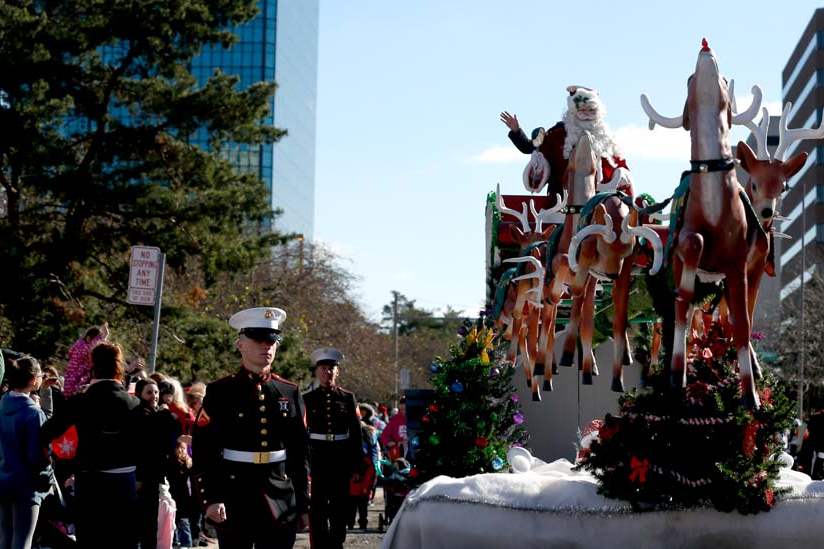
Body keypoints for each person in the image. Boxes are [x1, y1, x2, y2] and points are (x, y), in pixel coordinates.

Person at [191, 307, 309, 549]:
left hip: (280, 494)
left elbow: (300, 453)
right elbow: (205, 449)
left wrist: (304, 504)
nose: (266, 346)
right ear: (240, 344)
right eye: (258, 340)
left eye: (272, 341)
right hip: (234, 494)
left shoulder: (289, 391)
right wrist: (211, 498)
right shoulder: (221, 391)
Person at [42, 341, 141, 549]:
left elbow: (47, 433)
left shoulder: (80, 401)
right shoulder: (135, 404)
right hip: (125, 482)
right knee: (122, 540)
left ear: (92, 365)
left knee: (91, 540)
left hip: (91, 482)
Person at [500, 85, 631, 198]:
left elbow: (619, 165)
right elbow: (530, 147)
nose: (586, 114)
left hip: (600, 201)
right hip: (561, 202)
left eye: (591, 110)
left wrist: (621, 174)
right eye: (582, 110)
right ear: (573, 111)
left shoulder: (604, 136)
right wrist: (517, 131)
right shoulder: (557, 134)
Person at [303, 348, 363, 549]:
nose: (327, 373)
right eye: (323, 369)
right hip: (317, 457)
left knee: (340, 506)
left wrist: (357, 466)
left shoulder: (347, 397)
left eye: (331, 369)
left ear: (337, 372)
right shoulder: (307, 398)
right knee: (317, 507)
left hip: (340, 458)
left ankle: (337, 543)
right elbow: (303, 434)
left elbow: (355, 433)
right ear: (316, 372)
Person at [0, 356, 52, 549]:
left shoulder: (3, 404)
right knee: (23, 540)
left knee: (4, 538)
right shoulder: (33, 413)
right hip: (26, 485)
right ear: (32, 380)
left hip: (3, 478)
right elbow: (38, 456)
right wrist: (46, 480)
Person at [134, 378, 179, 549]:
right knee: (144, 526)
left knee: (151, 526)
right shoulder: (141, 415)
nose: (154, 396)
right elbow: (145, 449)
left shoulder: (155, 413)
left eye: (156, 392)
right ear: (139, 394)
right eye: (149, 392)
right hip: (142, 477)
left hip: (154, 476)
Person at [348, 404, 382, 531]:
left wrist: (374, 468)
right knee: (352, 498)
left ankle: (362, 522)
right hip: (352, 468)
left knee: (362, 498)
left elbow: (374, 452)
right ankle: (351, 522)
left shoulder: (370, 432)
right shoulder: (348, 431)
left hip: (366, 468)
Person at [63, 323, 109, 397]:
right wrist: (105, 335)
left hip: (69, 384)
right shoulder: (85, 348)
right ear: (89, 338)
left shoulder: (78, 345)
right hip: (77, 384)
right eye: (98, 338)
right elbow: (96, 347)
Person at [381, 396, 408, 461]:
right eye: (400, 409)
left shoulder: (416, 420)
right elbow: (384, 436)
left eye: (404, 409)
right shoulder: (395, 419)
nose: (402, 411)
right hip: (399, 454)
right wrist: (391, 442)